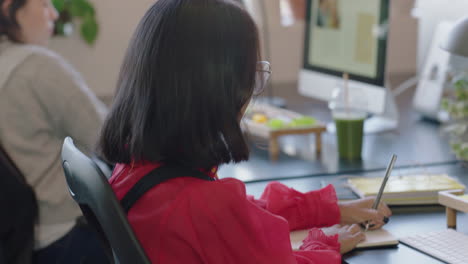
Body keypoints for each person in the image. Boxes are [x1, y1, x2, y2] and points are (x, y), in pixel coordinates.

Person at [98, 0, 392, 263]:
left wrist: (330, 208)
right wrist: (324, 244)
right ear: (219, 90)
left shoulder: (138, 168)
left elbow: (245, 216)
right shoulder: (204, 205)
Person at [0, 0, 109, 263]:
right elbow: (108, 139)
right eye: (43, 3)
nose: (54, 13)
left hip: (21, 242)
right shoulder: (38, 66)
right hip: (71, 235)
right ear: (9, 7)